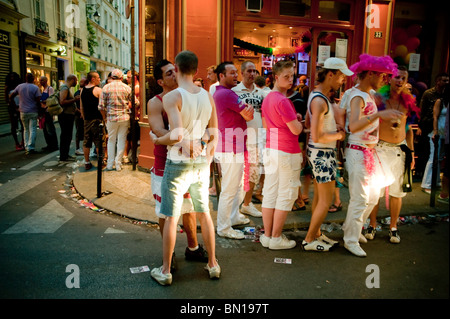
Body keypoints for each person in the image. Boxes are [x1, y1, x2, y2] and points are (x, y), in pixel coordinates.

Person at [149, 50, 219, 286]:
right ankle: (213, 264)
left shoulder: (172, 97)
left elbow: (178, 134)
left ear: (177, 70)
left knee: (170, 216)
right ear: (196, 71)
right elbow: (213, 132)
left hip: (177, 162)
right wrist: (207, 155)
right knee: (204, 213)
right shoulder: (208, 95)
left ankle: (166, 270)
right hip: (201, 162)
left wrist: (157, 140)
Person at [341, 54, 403, 257]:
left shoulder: (365, 93)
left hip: (367, 151)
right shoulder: (358, 96)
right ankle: (350, 239)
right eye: (382, 76)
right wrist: (378, 115)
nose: (384, 80)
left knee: (373, 196)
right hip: (358, 151)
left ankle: (353, 230)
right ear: (369, 74)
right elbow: (353, 125)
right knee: (360, 198)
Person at [364, 65, 420, 244]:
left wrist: (411, 153)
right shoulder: (379, 97)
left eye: (403, 78)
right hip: (380, 149)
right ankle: (371, 225)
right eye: (397, 77)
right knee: (375, 192)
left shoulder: (408, 100)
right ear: (390, 78)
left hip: (400, 151)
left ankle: (393, 227)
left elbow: (409, 128)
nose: (400, 81)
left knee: (397, 192)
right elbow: (368, 121)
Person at [301, 58, 351, 251]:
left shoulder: (316, 96)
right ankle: (309, 239)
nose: (342, 81)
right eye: (341, 76)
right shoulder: (320, 100)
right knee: (325, 200)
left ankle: (316, 234)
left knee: (319, 198)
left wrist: (332, 126)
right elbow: (317, 135)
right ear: (331, 74)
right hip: (322, 153)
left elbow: (307, 123)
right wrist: (338, 133)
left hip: (319, 152)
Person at [260, 60, 303, 250]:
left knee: (270, 192)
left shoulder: (268, 98)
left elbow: (266, 125)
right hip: (286, 151)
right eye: (286, 76)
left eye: (292, 75)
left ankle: (268, 235)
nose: (290, 79)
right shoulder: (283, 100)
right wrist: (299, 123)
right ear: (276, 77)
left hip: (272, 148)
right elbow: (296, 130)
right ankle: (276, 237)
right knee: (285, 194)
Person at [214, 61, 254, 239]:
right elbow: (249, 114)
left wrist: (246, 111)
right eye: (232, 73)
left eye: (236, 72)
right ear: (221, 76)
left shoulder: (221, 93)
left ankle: (233, 217)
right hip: (230, 147)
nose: (236, 76)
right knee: (230, 188)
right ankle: (224, 227)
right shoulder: (226, 94)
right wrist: (246, 111)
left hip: (232, 145)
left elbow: (247, 113)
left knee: (236, 185)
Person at [232, 61, 264, 218]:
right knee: (238, 173)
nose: (252, 74)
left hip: (258, 139)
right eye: (249, 71)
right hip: (240, 138)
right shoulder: (234, 91)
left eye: (255, 71)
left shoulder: (261, 92)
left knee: (253, 173)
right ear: (242, 73)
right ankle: (235, 206)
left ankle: (247, 203)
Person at [99, 69, 135, 171]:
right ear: (121, 77)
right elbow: (135, 102)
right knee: (121, 140)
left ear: (111, 77)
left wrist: (105, 118)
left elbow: (101, 106)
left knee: (111, 140)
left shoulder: (106, 88)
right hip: (124, 117)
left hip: (111, 118)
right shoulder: (126, 88)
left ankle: (110, 164)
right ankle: (118, 164)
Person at [416, 73, 449, 177]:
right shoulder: (428, 93)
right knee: (426, 152)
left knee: (436, 155)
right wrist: (420, 126)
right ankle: (421, 174)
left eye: (448, 80)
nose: (446, 83)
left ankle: (433, 178)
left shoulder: (445, 95)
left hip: (440, 127)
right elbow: (422, 110)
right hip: (428, 124)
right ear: (438, 81)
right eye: (444, 80)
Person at [421, 84, 449, 193]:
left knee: (440, 158)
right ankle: (427, 183)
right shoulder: (440, 101)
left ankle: (436, 182)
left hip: (446, 134)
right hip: (437, 132)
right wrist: (435, 131)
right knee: (433, 158)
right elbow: (435, 117)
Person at [287, 80, 308, 211]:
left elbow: (303, 121)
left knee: (294, 172)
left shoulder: (298, 99)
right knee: (292, 172)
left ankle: (298, 200)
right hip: (288, 140)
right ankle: (298, 199)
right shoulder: (279, 96)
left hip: (296, 139)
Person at [9, 73, 41, 155]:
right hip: (33, 111)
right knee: (33, 129)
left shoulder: (20, 86)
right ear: (33, 79)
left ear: (25, 78)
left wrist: (15, 106)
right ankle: (31, 147)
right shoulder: (35, 88)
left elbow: (11, 96)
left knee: (26, 129)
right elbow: (38, 100)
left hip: (23, 111)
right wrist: (40, 111)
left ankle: (26, 146)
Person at [80, 71, 105, 170]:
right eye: (98, 77)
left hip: (87, 120)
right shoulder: (98, 90)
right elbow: (101, 107)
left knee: (86, 142)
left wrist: (84, 117)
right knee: (99, 141)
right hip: (97, 120)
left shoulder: (82, 90)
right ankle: (101, 162)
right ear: (93, 79)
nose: (99, 79)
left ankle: (87, 162)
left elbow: (81, 107)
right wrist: (105, 118)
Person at [58, 74, 80, 161]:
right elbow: (62, 101)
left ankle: (65, 154)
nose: (76, 82)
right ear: (73, 80)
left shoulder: (66, 88)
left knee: (67, 136)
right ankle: (63, 156)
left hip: (68, 115)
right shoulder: (65, 88)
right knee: (65, 136)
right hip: (65, 115)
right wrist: (75, 99)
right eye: (76, 80)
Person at [5, 72, 24, 151]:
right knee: (13, 125)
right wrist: (13, 106)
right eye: (11, 77)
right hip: (12, 108)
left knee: (23, 125)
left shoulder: (19, 86)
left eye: (13, 77)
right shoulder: (7, 87)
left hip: (21, 107)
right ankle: (17, 143)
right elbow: (7, 99)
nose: (12, 78)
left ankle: (23, 141)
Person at [74, 78, 86, 156]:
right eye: (81, 81)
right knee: (79, 132)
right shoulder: (77, 93)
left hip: (84, 115)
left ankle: (84, 147)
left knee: (85, 132)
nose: (81, 83)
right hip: (79, 115)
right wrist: (80, 112)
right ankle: (78, 148)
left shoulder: (85, 92)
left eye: (82, 82)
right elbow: (75, 105)